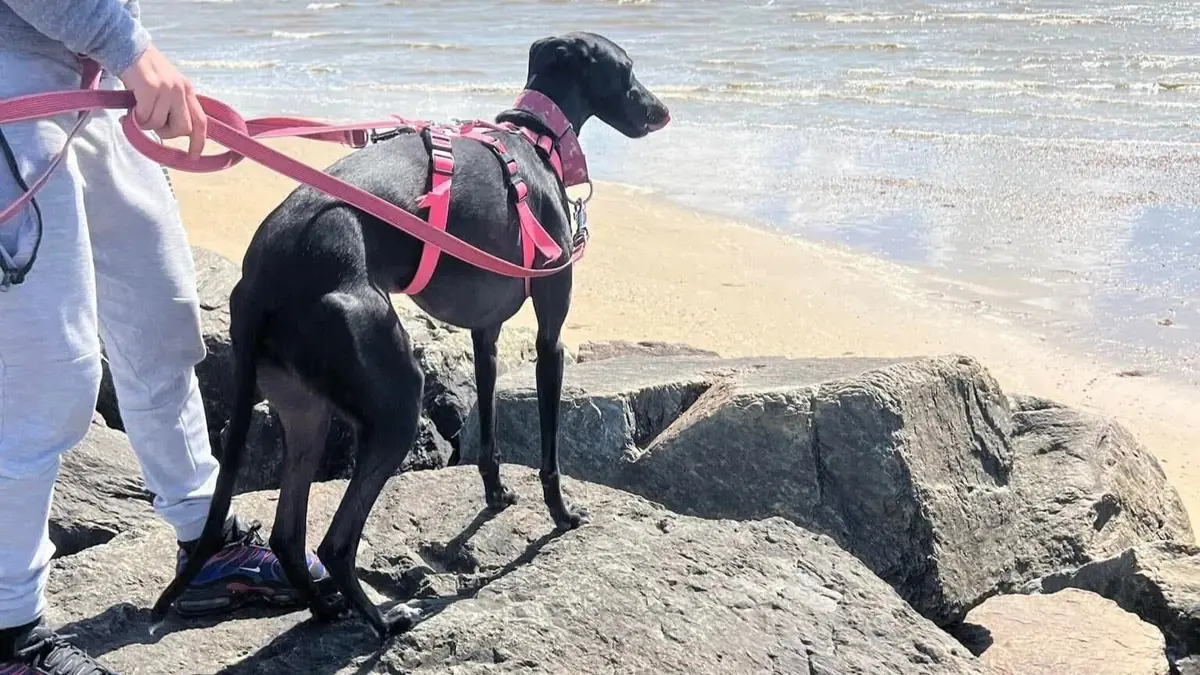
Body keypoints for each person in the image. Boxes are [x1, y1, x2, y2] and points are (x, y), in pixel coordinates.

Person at [0, 3, 330, 673]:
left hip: (87, 78)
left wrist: (120, 48)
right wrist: (128, 46)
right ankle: (11, 631)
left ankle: (207, 542)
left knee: (162, 318)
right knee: (47, 375)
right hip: (19, 83)